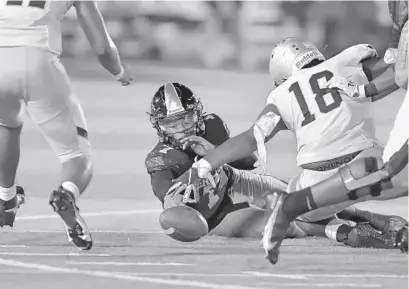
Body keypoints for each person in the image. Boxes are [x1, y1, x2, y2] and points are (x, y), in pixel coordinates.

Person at [164, 38, 408, 264]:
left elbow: (252, 138)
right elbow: (397, 75)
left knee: (296, 214)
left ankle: (346, 232)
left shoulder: (282, 94)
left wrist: (205, 164)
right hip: (369, 165)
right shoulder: (344, 63)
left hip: (319, 181)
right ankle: (365, 224)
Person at [146, 82, 404, 249]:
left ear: (197, 113)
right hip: (219, 216)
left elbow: (247, 163)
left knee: (305, 201)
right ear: (159, 125)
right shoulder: (163, 159)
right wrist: (179, 204)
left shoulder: (211, 124)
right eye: (171, 123)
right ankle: (372, 237)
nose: (180, 129)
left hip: (237, 181)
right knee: (296, 224)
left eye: (185, 119)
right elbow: (167, 199)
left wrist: (214, 155)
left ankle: (375, 219)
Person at [0, 0, 133, 250]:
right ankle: (67, 193)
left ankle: (5, 198)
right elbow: (102, 46)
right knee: (77, 155)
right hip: (38, 61)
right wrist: (119, 71)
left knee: (7, 124)